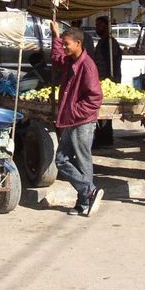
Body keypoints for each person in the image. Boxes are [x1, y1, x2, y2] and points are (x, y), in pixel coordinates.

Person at [50, 21, 104, 216]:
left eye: (67, 44)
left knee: (81, 161)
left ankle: (86, 197)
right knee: (62, 160)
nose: (64, 48)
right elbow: (56, 59)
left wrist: (74, 111)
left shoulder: (87, 67)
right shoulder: (70, 61)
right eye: (63, 44)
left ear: (79, 43)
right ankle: (87, 196)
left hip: (82, 121)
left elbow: (95, 98)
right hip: (71, 120)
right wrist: (55, 37)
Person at [93, 15, 122, 147]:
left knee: (105, 111)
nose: (97, 28)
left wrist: (111, 79)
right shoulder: (102, 42)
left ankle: (104, 139)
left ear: (106, 27)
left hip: (108, 81)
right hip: (101, 80)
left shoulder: (110, 43)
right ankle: (102, 138)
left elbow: (114, 62)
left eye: (99, 25)